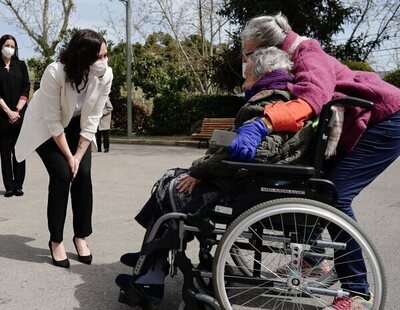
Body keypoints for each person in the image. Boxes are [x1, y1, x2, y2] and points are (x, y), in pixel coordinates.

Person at [116, 47, 317, 308]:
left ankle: (150, 276)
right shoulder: (283, 99)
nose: (244, 83)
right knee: (171, 180)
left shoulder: (269, 103)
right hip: (248, 179)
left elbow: (250, 154)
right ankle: (152, 257)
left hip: (242, 185)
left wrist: (200, 170)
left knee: (170, 187)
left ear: (264, 75)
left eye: (246, 76)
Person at [231, 13, 400, 309]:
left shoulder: (308, 54)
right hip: (363, 120)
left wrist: (263, 124)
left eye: (247, 54)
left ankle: (358, 293)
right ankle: (314, 260)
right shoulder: (291, 57)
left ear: (267, 49)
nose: (244, 61)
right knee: (317, 189)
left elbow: (311, 100)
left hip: (388, 119)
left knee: (336, 196)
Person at [15, 29, 113, 269]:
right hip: (48, 128)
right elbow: (52, 121)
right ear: (83, 56)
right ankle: (56, 240)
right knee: (62, 175)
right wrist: (69, 158)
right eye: (99, 57)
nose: (105, 61)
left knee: (84, 174)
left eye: (105, 55)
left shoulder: (105, 75)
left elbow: (93, 118)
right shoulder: (55, 72)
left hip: (77, 127)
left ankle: (80, 236)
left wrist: (78, 155)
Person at [0, 34, 30, 197]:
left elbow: (26, 87)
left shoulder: (21, 65)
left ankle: (18, 184)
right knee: (5, 152)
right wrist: (8, 111)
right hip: (3, 116)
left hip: (19, 115)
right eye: (7, 45)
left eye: (12, 46)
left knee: (19, 151)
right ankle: (9, 186)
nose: (9, 49)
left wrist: (17, 110)